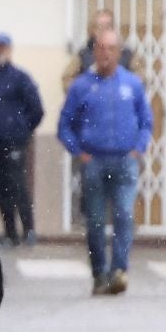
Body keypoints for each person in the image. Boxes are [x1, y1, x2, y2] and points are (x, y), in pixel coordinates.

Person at [57, 30, 151, 297]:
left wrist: (139, 148)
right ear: (94, 52)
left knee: (124, 215)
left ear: (119, 52)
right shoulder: (81, 86)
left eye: (111, 48)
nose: (106, 53)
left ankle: (119, 270)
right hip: (94, 162)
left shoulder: (132, 84)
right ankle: (99, 273)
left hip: (125, 161)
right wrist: (78, 152)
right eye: (101, 48)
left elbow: (146, 121)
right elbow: (65, 125)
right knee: (96, 223)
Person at [0, 32, 44, 245]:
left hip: (15, 142)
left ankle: (29, 229)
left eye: (3, 46)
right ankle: (10, 232)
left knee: (19, 185)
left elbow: (37, 110)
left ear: (10, 49)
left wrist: (22, 131)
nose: (0, 50)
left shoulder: (21, 78)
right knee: (0, 187)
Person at [60, 8, 147, 89]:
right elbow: (67, 79)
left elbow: (141, 79)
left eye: (107, 26)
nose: (104, 30)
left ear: (113, 28)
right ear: (93, 30)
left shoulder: (127, 53)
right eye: (100, 27)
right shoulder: (83, 55)